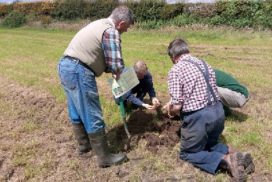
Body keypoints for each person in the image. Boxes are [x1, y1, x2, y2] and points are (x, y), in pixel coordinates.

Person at [163, 38, 254, 180]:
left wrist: (171, 111)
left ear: (173, 57)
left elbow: (178, 106)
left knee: (188, 153)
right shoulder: (204, 63)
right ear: (187, 51)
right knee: (210, 144)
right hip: (218, 113)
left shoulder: (176, 70)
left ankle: (227, 160)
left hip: (200, 118)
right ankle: (237, 156)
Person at [57, 6, 134, 168]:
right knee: (92, 113)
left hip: (66, 65)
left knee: (76, 110)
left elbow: (102, 58)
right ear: (120, 24)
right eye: (126, 28)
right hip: (79, 71)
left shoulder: (99, 24)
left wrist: (111, 69)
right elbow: (116, 64)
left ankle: (84, 146)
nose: (125, 31)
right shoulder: (111, 31)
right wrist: (119, 76)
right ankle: (105, 158)